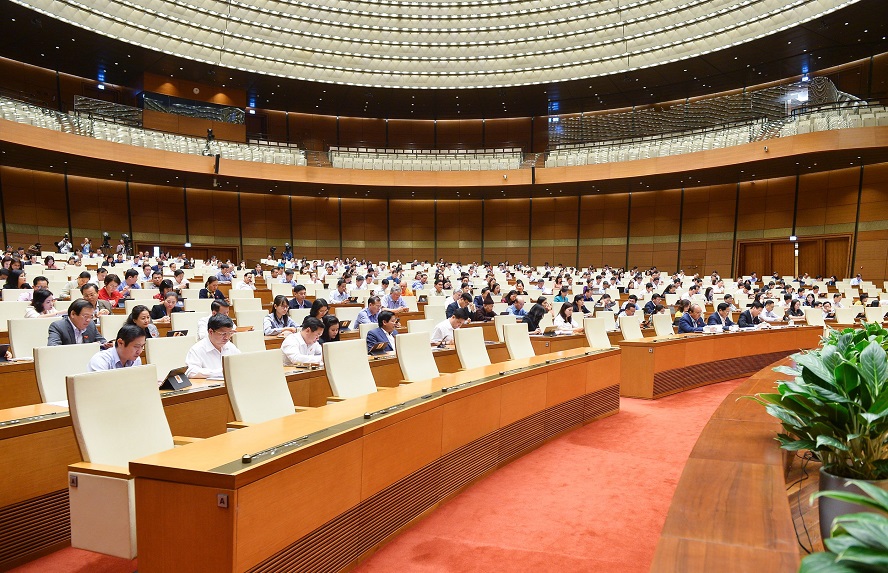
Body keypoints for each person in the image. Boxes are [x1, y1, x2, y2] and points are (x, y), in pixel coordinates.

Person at [184, 314, 240, 378]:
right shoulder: (197, 349)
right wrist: (221, 372)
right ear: (210, 332)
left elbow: (241, 362)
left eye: (229, 333)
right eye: (223, 334)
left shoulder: (230, 346)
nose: (227, 337)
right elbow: (191, 372)